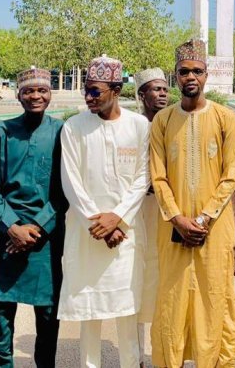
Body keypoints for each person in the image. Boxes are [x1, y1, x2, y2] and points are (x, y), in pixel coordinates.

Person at [149, 39, 235, 367]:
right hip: (172, 229)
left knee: (214, 297)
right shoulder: (162, 121)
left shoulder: (225, 118)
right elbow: (157, 176)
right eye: (184, 71)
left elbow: (231, 175)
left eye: (198, 71)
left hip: (214, 230)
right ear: (176, 76)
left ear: (207, 75)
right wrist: (177, 218)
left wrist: (202, 219)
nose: (191, 77)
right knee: (172, 300)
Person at [59, 55, 150, 368]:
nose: (88, 97)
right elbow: (70, 180)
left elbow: (143, 177)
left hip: (126, 234)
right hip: (89, 233)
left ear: (115, 90)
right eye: (86, 90)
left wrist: (119, 219)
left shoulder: (139, 126)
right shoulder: (73, 127)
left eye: (95, 91)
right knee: (89, 311)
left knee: (127, 309)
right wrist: (98, 223)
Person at [0, 67, 67, 367]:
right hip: (8, 236)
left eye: (41, 90)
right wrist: (13, 227)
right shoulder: (1, 132)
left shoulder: (61, 131)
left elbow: (64, 190)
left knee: (47, 315)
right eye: (28, 91)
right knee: (2, 315)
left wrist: (37, 229)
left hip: (46, 239)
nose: (35, 96)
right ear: (18, 95)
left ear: (50, 94)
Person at [133, 67, 170, 367]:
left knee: (162, 284)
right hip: (135, 213)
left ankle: (164, 354)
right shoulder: (131, 127)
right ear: (141, 94)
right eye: (155, 89)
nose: (161, 94)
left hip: (165, 214)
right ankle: (137, 356)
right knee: (134, 281)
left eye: (165, 90)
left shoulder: (173, 125)